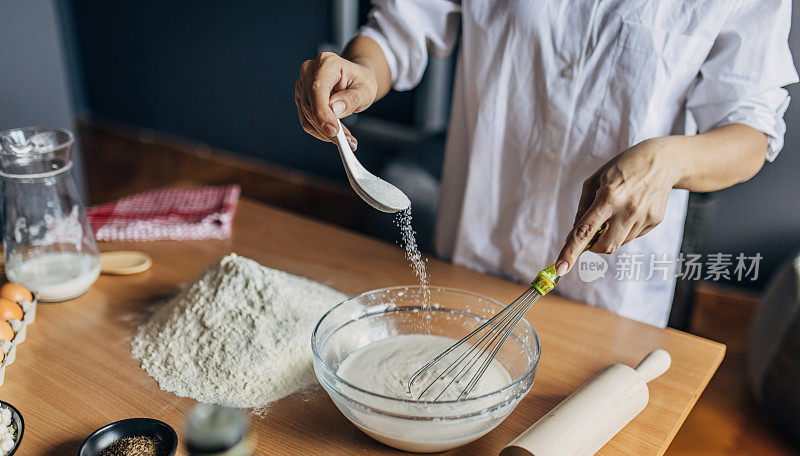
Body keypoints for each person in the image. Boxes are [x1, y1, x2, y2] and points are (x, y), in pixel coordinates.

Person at [294, 1, 797, 327]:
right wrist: (360, 70)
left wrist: (667, 161)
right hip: (473, 253)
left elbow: (752, 133)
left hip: (610, 290)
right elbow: (401, 26)